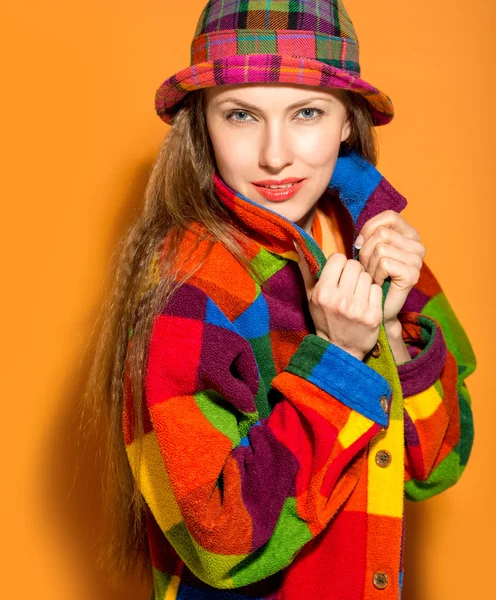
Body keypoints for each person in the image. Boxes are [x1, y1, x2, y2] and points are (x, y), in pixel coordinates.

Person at [82, 1, 477, 599]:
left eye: (307, 112)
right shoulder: (189, 288)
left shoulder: (375, 237)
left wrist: (393, 333)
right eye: (241, 115)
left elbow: (438, 465)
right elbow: (218, 541)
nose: (274, 155)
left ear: (347, 120)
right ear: (201, 124)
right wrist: (339, 362)